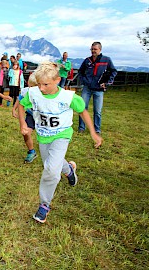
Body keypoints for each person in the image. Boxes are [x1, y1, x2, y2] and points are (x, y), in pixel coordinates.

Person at [18, 61, 102, 224]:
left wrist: (93, 133)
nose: (41, 88)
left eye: (46, 84)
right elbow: (22, 105)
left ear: (57, 81)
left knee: (50, 169)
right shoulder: (34, 93)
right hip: (43, 136)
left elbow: (83, 112)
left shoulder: (68, 97)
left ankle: (44, 205)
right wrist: (23, 124)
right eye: (39, 84)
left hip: (62, 135)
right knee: (51, 163)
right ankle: (69, 170)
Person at [78, 42, 117, 134]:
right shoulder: (87, 60)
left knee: (97, 111)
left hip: (99, 90)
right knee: (82, 108)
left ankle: (97, 130)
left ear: (100, 49)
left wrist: (107, 82)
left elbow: (113, 71)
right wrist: (84, 81)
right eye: (92, 49)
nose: (93, 51)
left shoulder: (106, 60)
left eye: (95, 49)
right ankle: (81, 128)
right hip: (87, 88)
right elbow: (80, 72)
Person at [12, 71, 37, 163]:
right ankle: (31, 151)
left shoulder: (45, 92)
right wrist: (14, 109)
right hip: (31, 115)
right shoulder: (25, 91)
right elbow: (19, 100)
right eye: (30, 86)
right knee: (26, 133)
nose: (32, 89)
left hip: (43, 116)